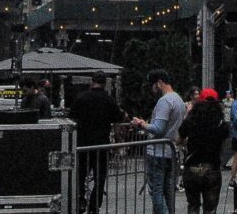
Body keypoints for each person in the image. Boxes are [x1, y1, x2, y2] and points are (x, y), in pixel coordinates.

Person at [132, 69, 186, 214]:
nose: (152, 89)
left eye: (153, 85)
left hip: (157, 151)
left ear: (160, 83)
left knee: (156, 191)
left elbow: (158, 128)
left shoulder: (165, 101)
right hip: (171, 151)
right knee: (168, 191)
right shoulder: (179, 100)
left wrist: (141, 123)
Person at [70, 72, 125, 214]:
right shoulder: (109, 100)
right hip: (102, 144)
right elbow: (117, 122)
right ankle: (94, 206)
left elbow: (72, 120)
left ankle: (80, 200)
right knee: (100, 178)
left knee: (80, 176)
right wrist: (118, 143)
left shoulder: (81, 98)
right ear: (105, 83)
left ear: (91, 82)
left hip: (82, 144)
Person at [178, 88, 229, 214]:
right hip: (212, 167)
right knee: (210, 208)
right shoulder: (220, 122)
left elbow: (179, 139)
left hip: (192, 166)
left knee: (193, 205)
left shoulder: (192, 119)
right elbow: (224, 141)